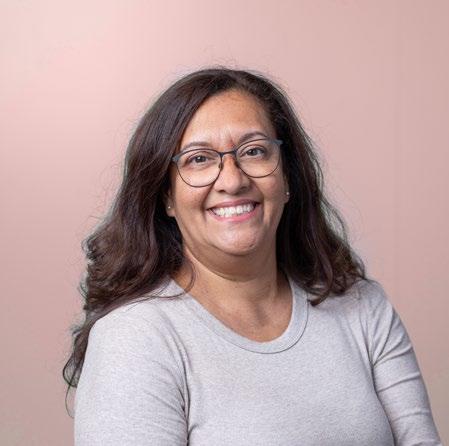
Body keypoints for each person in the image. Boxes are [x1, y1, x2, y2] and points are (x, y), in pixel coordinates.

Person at [63, 68, 442, 445]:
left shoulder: (360, 305)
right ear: (166, 197)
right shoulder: (133, 339)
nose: (233, 180)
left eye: (254, 151)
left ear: (287, 177)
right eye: (199, 159)